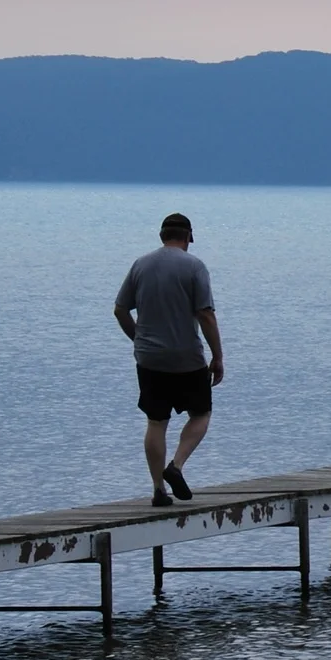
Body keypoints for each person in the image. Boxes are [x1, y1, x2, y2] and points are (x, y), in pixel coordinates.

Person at [113, 212, 224, 506]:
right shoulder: (195, 266)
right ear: (189, 236)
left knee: (156, 422)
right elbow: (205, 315)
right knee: (200, 414)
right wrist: (218, 356)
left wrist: (139, 339)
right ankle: (176, 466)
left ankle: (158, 490)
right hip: (187, 357)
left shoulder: (141, 265)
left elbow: (120, 310)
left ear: (162, 236)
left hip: (150, 359)